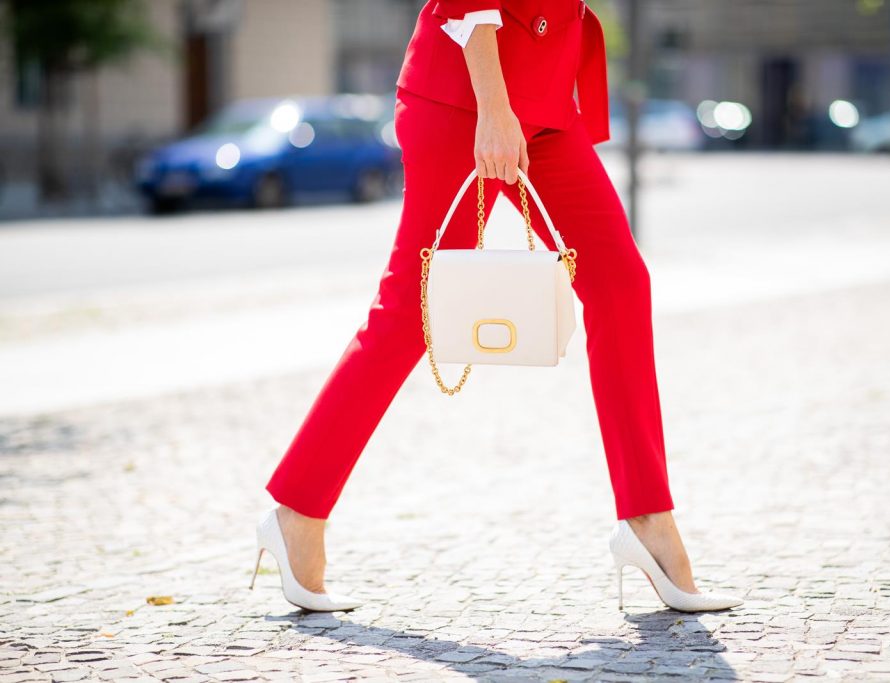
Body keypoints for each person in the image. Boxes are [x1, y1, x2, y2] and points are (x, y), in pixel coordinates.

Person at [250, 0, 744, 614]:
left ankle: (646, 516)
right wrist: (493, 106)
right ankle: (297, 510)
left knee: (621, 283)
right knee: (411, 311)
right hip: (465, 97)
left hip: (545, 101)